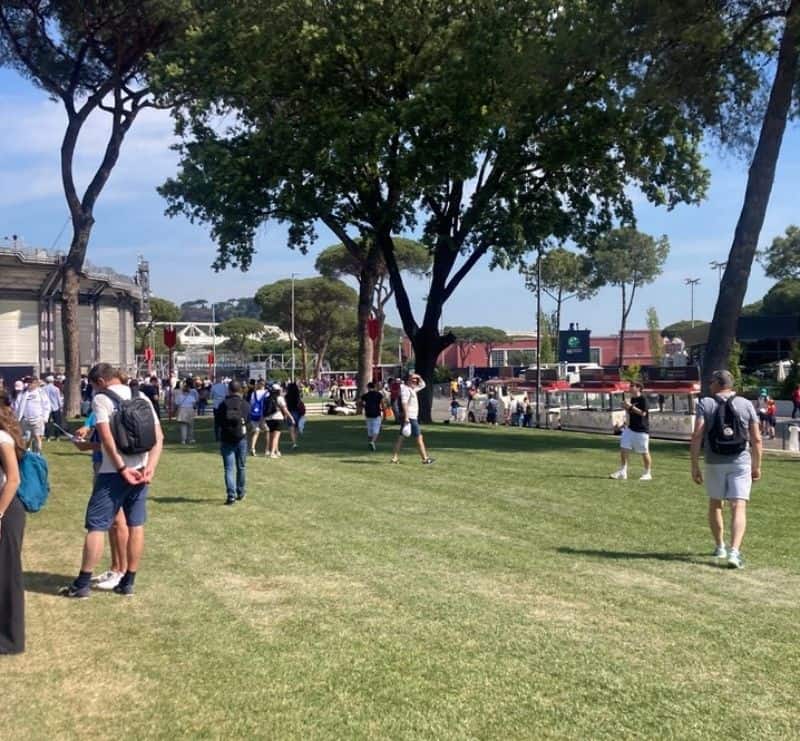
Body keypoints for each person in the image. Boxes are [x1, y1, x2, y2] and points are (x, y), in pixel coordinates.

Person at [60, 363, 163, 598]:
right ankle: (128, 581)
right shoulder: (142, 397)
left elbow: (107, 439)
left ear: (99, 382)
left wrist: (121, 468)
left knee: (96, 525)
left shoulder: (102, 399)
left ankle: (83, 582)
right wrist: (151, 467)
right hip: (141, 469)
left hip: (112, 472)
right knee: (136, 524)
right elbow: (159, 438)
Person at [690, 369, 762, 569]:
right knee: (738, 506)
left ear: (717, 383)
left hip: (714, 461)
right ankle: (734, 552)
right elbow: (756, 438)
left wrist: (694, 465)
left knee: (716, 504)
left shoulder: (706, 403)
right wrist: (757, 465)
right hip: (740, 460)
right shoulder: (745, 404)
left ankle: (720, 546)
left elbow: (697, 435)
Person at [72, 412, 128, 591]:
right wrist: (87, 426)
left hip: (111, 466)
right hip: (102, 464)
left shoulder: (110, 401)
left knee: (118, 520)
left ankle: (121, 570)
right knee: (112, 521)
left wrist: (88, 445)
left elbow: (110, 443)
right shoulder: (101, 401)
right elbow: (94, 418)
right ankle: (115, 568)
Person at [0, 389, 25, 653]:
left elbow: (13, 480)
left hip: (6, 509)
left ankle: (10, 639)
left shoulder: (2, 437)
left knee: (7, 574)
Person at [215, 380, 251, 505]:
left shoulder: (223, 404)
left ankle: (231, 495)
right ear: (240, 390)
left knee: (229, 469)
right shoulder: (245, 404)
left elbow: (218, 421)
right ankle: (240, 492)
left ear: (229, 390)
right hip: (241, 438)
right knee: (241, 467)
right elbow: (248, 420)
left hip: (227, 438)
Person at [609, 381, 652, 481]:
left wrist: (630, 406)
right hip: (630, 429)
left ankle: (647, 473)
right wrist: (626, 408)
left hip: (641, 430)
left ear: (638, 388)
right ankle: (623, 472)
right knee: (624, 448)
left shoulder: (643, 399)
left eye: (632, 386)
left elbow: (643, 413)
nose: (630, 388)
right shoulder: (632, 399)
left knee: (644, 452)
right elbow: (631, 412)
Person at [391, 373, 434, 465]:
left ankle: (394, 458)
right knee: (419, 437)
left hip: (411, 417)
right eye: (412, 380)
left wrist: (418, 376)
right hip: (410, 417)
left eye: (416, 381)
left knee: (401, 438)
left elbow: (423, 385)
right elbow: (404, 403)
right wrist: (406, 417)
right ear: (408, 381)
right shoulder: (406, 390)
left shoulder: (412, 389)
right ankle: (425, 458)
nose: (415, 382)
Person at [14, 377, 50, 453]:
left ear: (36, 384)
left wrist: (45, 417)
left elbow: (46, 405)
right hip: (25, 420)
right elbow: (17, 406)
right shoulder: (23, 394)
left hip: (37, 419)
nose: (29, 384)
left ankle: (37, 454)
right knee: (26, 438)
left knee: (37, 437)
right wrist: (17, 418)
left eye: (31, 383)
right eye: (28, 383)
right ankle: (25, 452)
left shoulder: (41, 393)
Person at [265, 383, 294, 458]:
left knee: (272, 436)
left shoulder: (268, 398)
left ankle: (275, 451)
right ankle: (272, 453)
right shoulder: (280, 398)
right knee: (276, 437)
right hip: (278, 418)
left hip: (268, 419)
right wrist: (291, 417)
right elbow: (285, 409)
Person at [361, 382, 385, 450]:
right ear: (374, 387)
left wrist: (363, 406)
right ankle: (372, 442)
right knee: (376, 430)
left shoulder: (365, 395)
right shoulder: (379, 394)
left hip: (368, 414)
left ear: (368, 387)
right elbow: (383, 404)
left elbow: (360, 402)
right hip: (376, 414)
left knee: (369, 430)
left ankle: (370, 443)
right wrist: (385, 412)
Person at [174, 380, 198, 444]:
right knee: (190, 426)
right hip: (190, 410)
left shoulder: (179, 397)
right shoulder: (191, 397)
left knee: (183, 426)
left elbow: (176, 404)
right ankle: (190, 439)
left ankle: (183, 440)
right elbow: (194, 405)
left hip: (182, 410)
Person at [248, 380, 269, 456]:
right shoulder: (267, 393)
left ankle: (252, 448)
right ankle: (267, 449)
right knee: (267, 430)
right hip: (263, 414)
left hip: (255, 414)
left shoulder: (254, 393)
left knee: (256, 431)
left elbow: (251, 404)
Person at [284, 382, 306, 449]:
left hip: (290, 413)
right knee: (296, 428)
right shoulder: (297, 396)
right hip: (297, 413)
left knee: (291, 429)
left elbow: (285, 406)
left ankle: (294, 443)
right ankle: (295, 442)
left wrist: (285, 415)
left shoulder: (286, 396)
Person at [43, 375, 64, 440]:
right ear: (53, 381)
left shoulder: (43, 389)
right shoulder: (56, 389)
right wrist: (61, 406)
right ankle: (57, 436)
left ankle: (47, 436)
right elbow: (58, 398)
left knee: (47, 422)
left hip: (46, 408)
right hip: (55, 407)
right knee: (57, 422)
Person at [210, 376, 229, 441]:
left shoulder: (214, 387)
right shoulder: (225, 387)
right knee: (223, 421)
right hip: (223, 405)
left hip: (216, 405)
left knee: (216, 422)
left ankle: (217, 437)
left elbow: (211, 396)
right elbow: (227, 395)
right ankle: (223, 435)